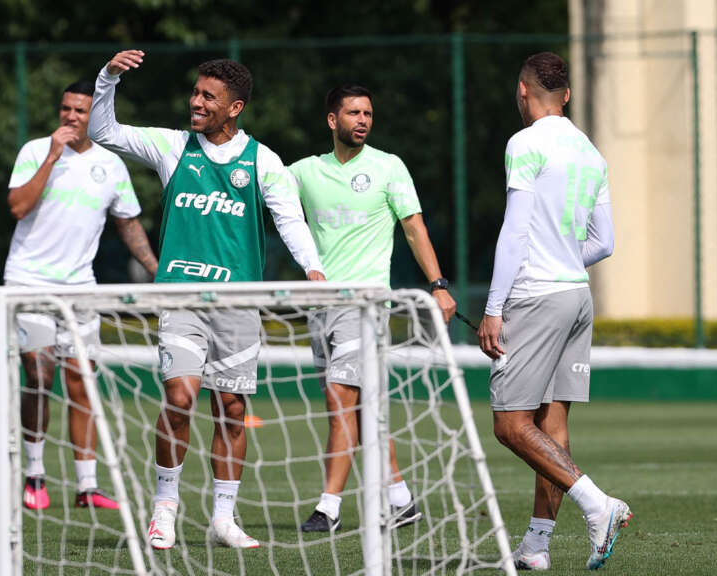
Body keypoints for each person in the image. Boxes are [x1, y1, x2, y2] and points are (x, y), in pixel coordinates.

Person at [89, 50, 325, 549]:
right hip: (182, 298)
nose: (195, 102)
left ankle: (222, 519)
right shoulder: (173, 147)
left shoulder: (263, 160)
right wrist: (107, 78)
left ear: (234, 108)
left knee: (232, 409)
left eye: (207, 97)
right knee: (179, 397)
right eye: (196, 92)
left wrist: (313, 268)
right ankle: (165, 507)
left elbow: (289, 220)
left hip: (238, 305)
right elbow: (103, 132)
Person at [477, 52, 628, 571]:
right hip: (577, 295)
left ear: (523, 91)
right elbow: (604, 242)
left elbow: (515, 231)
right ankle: (537, 546)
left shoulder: (524, 143)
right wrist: (563, 258)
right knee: (553, 424)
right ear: (564, 94)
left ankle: (598, 504)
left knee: (510, 424)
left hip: (537, 295)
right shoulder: (591, 151)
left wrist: (493, 307)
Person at [288, 84, 456, 533]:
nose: (362, 120)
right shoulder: (303, 172)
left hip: (365, 306)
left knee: (339, 397)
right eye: (353, 113)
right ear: (332, 120)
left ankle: (329, 507)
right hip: (321, 307)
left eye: (368, 113)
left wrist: (437, 285)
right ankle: (400, 500)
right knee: (363, 406)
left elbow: (414, 228)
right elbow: (266, 200)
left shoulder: (388, 167)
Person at [5, 80, 158, 512]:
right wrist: (53, 156)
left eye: (80, 111)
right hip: (29, 283)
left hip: (79, 288)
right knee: (38, 375)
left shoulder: (110, 164)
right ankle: (34, 476)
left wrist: (156, 270)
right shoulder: (36, 151)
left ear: (96, 116)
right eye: (65, 109)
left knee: (81, 381)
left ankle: (87, 487)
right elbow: (18, 207)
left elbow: (128, 222)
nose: (71, 117)